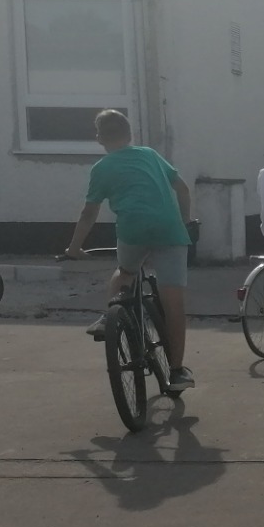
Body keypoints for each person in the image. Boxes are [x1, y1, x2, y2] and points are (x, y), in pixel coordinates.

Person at [65, 110, 196, 391]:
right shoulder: (149, 155)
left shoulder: (102, 168)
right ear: (130, 134)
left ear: (100, 139)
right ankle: (177, 372)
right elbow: (183, 189)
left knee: (125, 271)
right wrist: (184, 223)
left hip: (133, 231)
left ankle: (109, 316)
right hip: (170, 230)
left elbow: (89, 212)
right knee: (173, 302)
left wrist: (74, 248)